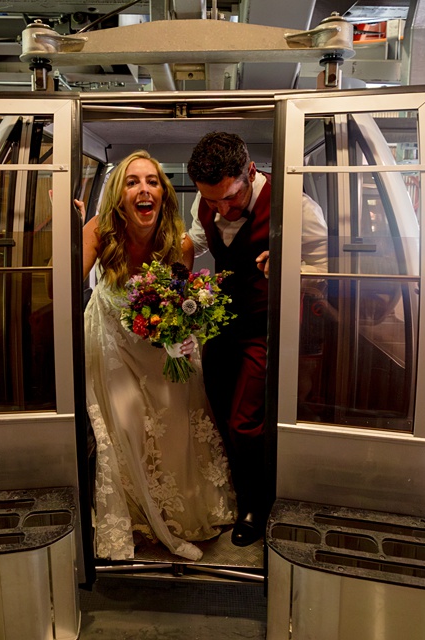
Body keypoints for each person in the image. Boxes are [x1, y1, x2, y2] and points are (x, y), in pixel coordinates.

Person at [79, 150, 236, 562]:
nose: (143, 189)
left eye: (152, 182)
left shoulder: (176, 242)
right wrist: (67, 230)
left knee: (179, 414)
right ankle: (137, 514)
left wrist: (185, 341)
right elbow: (58, 283)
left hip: (157, 346)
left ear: (163, 195)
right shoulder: (99, 230)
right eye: (132, 182)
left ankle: (176, 507)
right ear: (119, 193)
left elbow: (178, 307)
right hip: (111, 341)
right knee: (127, 422)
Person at [185, 132, 328, 546]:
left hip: (267, 327)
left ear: (250, 171)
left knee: (246, 421)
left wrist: (289, 267)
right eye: (212, 201)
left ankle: (257, 504)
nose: (221, 208)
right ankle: (232, 488)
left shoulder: (296, 207)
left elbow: (325, 273)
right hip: (222, 322)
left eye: (229, 197)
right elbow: (195, 240)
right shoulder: (207, 201)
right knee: (214, 406)